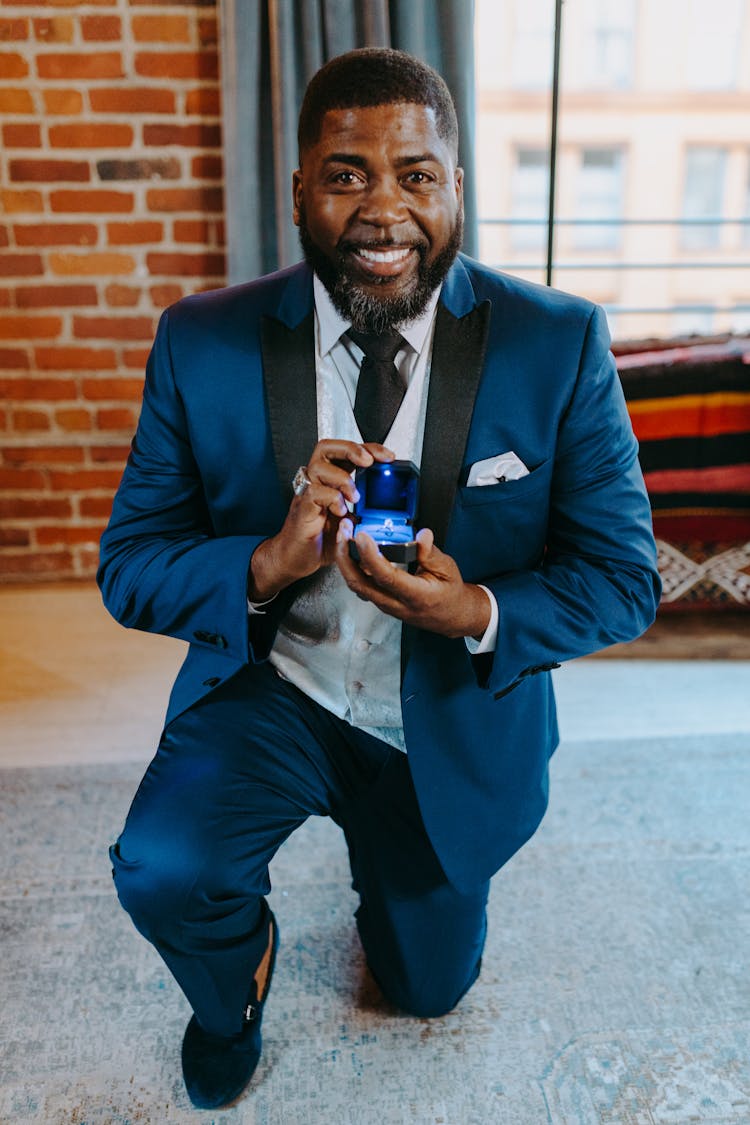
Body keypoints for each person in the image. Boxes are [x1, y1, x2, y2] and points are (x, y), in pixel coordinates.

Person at [98, 47, 661, 1110]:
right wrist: (266, 563)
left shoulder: (559, 342)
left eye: (416, 174)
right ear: (301, 187)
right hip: (280, 687)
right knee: (165, 869)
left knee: (427, 990)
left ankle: (397, 900)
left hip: (445, 709)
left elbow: (624, 577)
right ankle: (235, 987)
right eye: (348, 174)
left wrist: (477, 609)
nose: (383, 209)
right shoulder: (200, 342)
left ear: (458, 188)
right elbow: (129, 565)